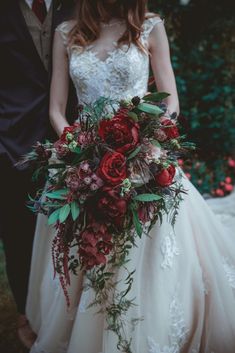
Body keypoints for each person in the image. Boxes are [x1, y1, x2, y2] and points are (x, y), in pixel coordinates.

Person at [26, 0, 235, 352]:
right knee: (87, 252)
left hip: (141, 158)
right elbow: (56, 110)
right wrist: (80, 149)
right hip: (85, 160)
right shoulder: (67, 34)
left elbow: (171, 102)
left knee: (148, 253)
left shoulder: (150, 27)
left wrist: (148, 142)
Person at [0, 0, 76, 348]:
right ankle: (27, 315)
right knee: (18, 234)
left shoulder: (78, 5)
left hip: (77, 136)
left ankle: (73, 313)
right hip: (13, 142)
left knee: (75, 231)